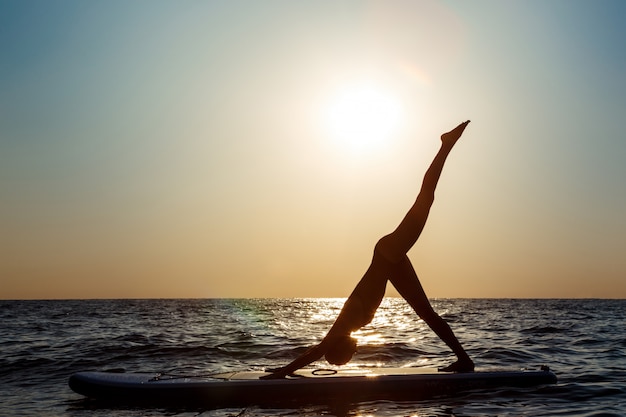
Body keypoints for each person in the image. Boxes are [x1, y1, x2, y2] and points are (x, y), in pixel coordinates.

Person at [262, 121, 475, 379]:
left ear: (339, 347)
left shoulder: (342, 327)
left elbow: (317, 351)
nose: (354, 353)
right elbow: (319, 350)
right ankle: (464, 359)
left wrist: (282, 372)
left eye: (346, 355)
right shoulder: (346, 330)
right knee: (426, 312)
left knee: (425, 200)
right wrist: (285, 370)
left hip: (387, 253)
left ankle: (445, 145)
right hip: (390, 263)